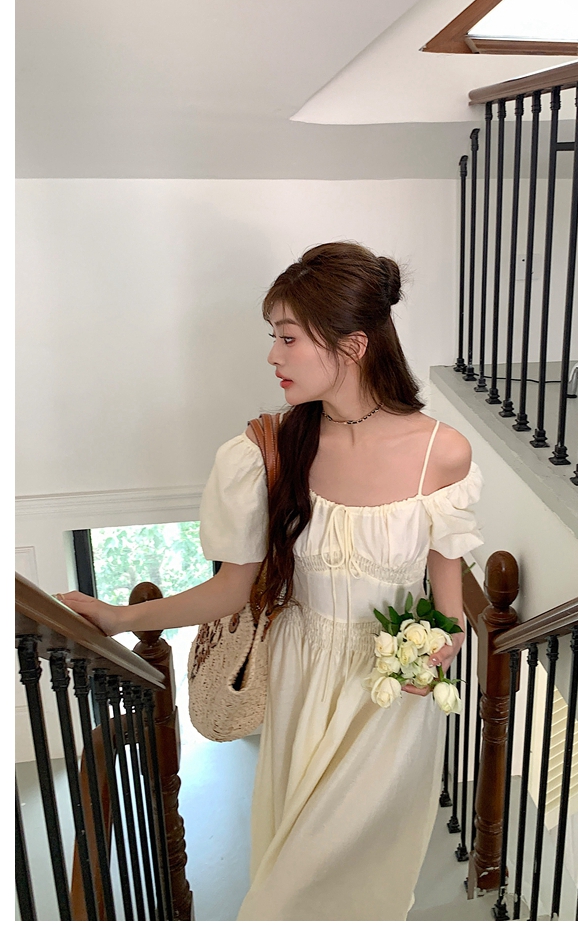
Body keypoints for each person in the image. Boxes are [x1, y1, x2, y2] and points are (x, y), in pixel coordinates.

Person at [60, 241, 484, 920]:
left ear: (352, 345)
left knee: (341, 887)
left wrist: (436, 653)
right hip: (301, 676)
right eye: (274, 336)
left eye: (288, 337)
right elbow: (232, 589)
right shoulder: (272, 448)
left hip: (388, 703)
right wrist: (120, 617)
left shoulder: (443, 452)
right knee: (292, 876)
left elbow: (449, 608)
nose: (272, 356)